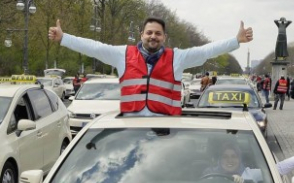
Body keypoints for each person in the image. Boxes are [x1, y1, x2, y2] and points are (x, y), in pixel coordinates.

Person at [48, 18, 254, 116]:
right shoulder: (123, 54)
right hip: (131, 128)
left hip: (167, 128)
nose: (153, 36)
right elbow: (94, 48)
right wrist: (64, 38)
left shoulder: (178, 58)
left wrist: (235, 40)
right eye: (149, 32)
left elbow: (205, 51)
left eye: (157, 33)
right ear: (142, 35)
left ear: (164, 37)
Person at [203, 141, 294, 183]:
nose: (230, 160)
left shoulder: (250, 174)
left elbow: (277, 169)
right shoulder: (210, 174)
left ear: (240, 159)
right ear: (219, 159)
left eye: (234, 156)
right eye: (225, 157)